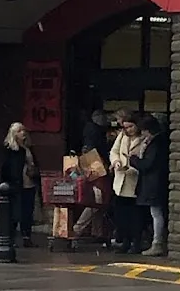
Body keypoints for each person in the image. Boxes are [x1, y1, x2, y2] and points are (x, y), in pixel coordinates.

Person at [128, 114, 168, 257]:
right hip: (154, 183)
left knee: (156, 213)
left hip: (153, 184)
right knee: (155, 213)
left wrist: (133, 160)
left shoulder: (155, 144)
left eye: (144, 131)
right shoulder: (159, 141)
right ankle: (156, 241)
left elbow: (147, 164)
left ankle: (157, 243)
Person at [0, 122, 41, 247]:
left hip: (29, 183)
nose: (23, 133)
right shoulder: (10, 150)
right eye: (19, 131)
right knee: (14, 213)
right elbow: (6, 168)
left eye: (23, 130)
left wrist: (34, 171)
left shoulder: (28, 148)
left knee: (28, 213)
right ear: (13, 134)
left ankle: (27, 237)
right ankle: (10, 239)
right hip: (16, 185)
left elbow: (35, 164)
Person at [72, 109, 111, 241]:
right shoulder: (94, 131)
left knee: (98, 198)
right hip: (97, 165)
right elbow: (95, 149)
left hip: (93, 164)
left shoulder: (89, 130)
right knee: (98, 197)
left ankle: (97, 231)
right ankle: (78, 228)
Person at [109, 112, 145, 253]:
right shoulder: (122, 136)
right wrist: (116, 162)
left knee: (134, 215)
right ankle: (124, 241)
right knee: (121, 214)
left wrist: (132, 168)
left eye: (131, 127)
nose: (128, 130)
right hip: (120, 179)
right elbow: (114, 151)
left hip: (134, 180)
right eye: (126, 127)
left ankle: (135, 242)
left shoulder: (143, 138)